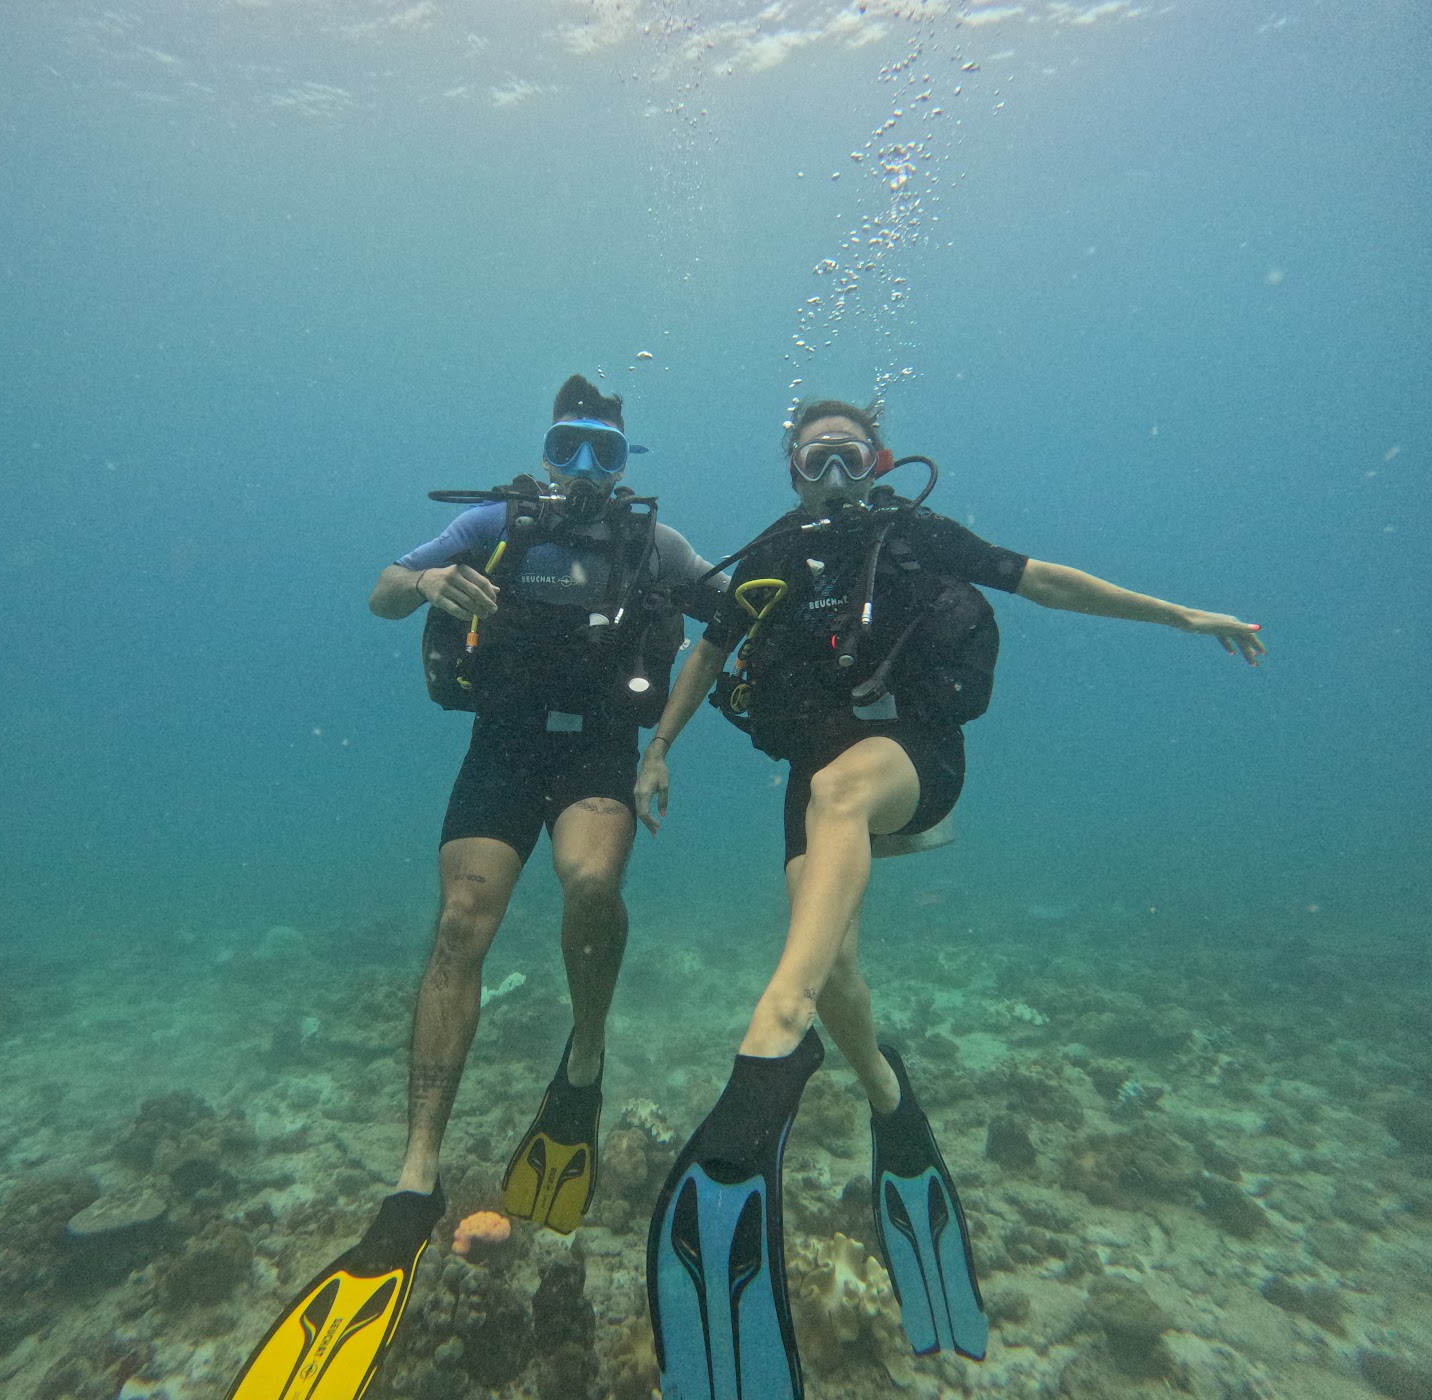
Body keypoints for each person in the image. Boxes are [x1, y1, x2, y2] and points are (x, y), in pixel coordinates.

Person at [636, 397, 1263, 1396]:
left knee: (839, 811)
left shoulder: (914, 531)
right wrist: (658, 748)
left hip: (911, 752)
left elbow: (1044, 579)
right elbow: (706, 650)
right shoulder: (769, 552)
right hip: (816, 762)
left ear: (878, 459)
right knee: (833, 946)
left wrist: (1182, 612)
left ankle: (774, 1023)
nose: (832, 477)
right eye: (814, 461)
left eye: (848, 457)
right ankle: (890, 1099)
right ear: (790, 469)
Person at [219, 375, 723, 1400]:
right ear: (544, 451)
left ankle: (583, 1055)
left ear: (626, 462)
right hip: (503, 748)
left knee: (590, 885)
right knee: (460, 927)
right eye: (567, 447)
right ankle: (415, 1169)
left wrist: (662, 742)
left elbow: (729, 618)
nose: (584, 470)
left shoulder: (655, 546)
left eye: (605, 453)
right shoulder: (495, 520)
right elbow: (380, 587)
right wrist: (427, 584)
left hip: (597, 755)